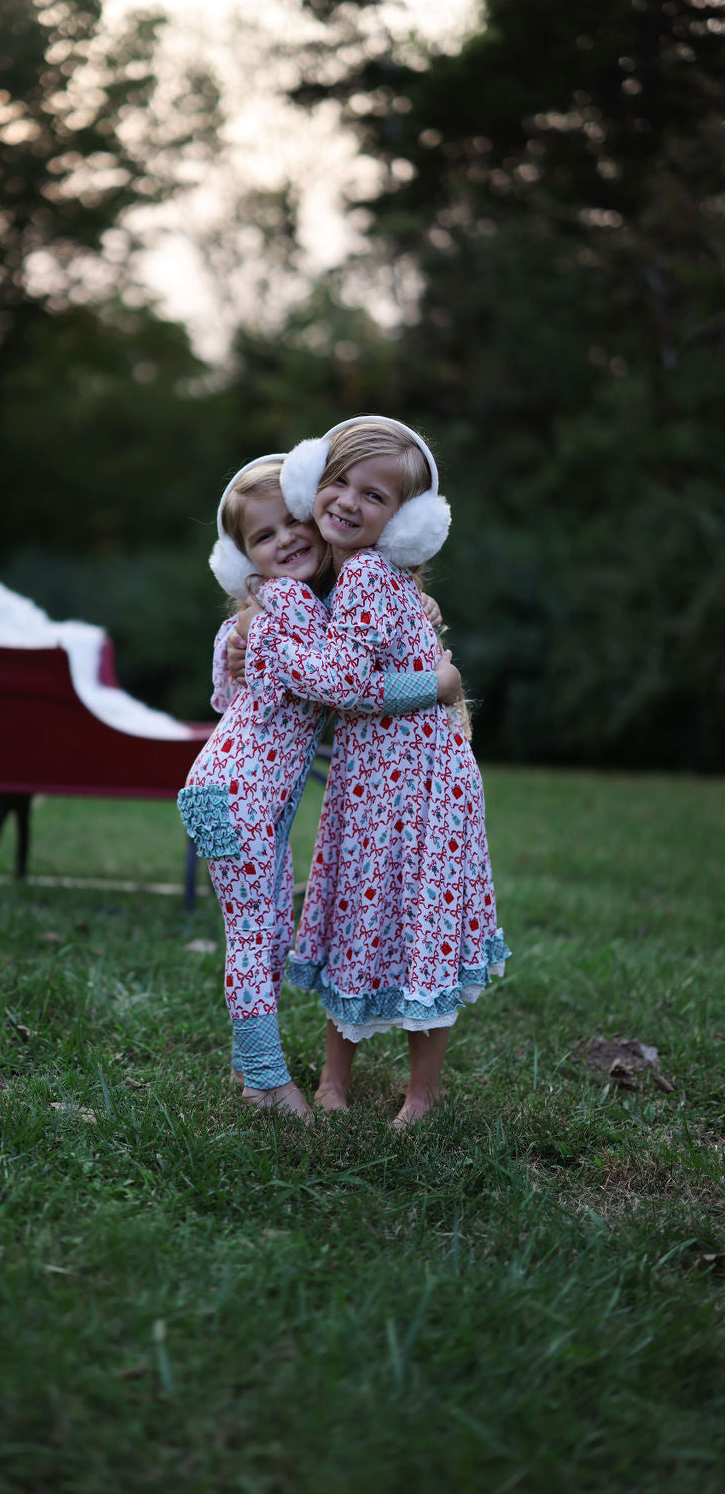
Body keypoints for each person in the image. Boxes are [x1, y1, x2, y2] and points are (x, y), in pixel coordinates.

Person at [178, 453, 463, 1122]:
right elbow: (341, 683)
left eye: (293, 523)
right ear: (243, 560)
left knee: (268, 933)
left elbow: (242, 681)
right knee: (256, 936)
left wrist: (406, 599)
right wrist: (439, 685)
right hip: (233, 795)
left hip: (249, 798)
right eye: (264, 536)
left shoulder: (298, 603)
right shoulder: (281, 603)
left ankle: (250, 1059)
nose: (287, 540)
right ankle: (266, 1084)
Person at [246, 415, 510, 1123]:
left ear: (407, 520)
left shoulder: (367, 573)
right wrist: (441, 683)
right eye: (339, 481)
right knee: (406, 917)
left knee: (367, 916)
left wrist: (438, 684)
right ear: (312, 482)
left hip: (407, 782)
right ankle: (397, 1088)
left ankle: (359, 1084)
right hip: (402, 775)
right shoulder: (356, 575)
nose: (349, 501)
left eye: (375, 495)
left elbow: (344, 683)